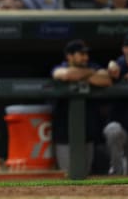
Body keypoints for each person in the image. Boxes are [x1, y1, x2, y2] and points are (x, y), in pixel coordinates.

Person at [51, 39, 112, 174]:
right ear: (69, 56)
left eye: (86, 54)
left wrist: (82, 75)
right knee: (67, 175)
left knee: (86, 174)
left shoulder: (91, 66)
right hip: (64, 134)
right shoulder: (59, 67)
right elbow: (67, 75)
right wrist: (90, 74)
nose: (86, 57)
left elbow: (106, 79)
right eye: (81, 54)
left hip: (87, 133)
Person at [104, 31, 128, 174]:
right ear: (124, 49)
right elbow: (107, 72)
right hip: (121, 126)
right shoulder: (118, 66)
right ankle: (116, 170)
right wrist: (109, 69)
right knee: (113, 130)